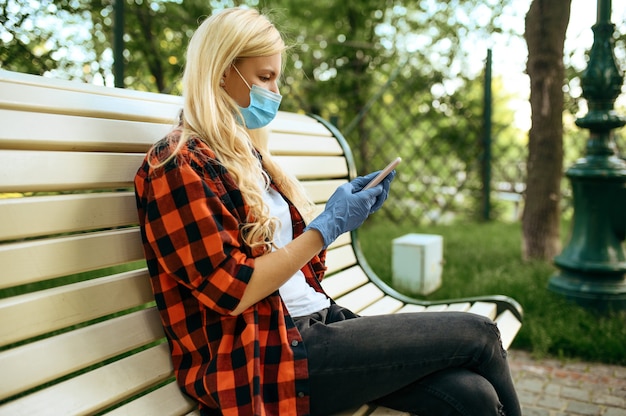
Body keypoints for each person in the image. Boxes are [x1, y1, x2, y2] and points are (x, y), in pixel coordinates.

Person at [134, 7, 522, 416]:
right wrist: (326, 227)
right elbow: (234, 292)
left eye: (276, 76)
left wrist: (342, 211)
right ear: (222, 72)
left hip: (316, 324)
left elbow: (295, 271)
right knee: (480, 334)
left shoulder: (246, 154)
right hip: (264, 357)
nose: (275, 90)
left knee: (472, 396)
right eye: (264, 77)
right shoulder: (177, 163)